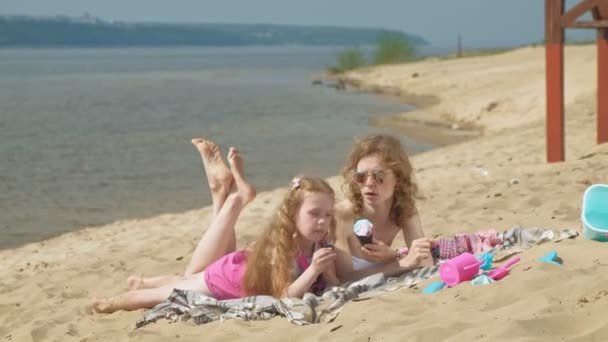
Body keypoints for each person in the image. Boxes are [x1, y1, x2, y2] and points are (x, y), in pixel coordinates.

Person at [91, 141, 339, 313]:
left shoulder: (319, 244)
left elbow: (331, 283)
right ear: (293, 214)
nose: (322, 221)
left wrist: (327, 274)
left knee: (186, 277)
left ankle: (223, 192)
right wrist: (313, 269)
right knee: (163, 295)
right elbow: (284, 296)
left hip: (240, 267)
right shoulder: (283, 249)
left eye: (327, 215)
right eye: (314, 213)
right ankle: (109, 304)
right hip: (223, 280)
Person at [332, 134, 435, 282]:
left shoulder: (403, 209)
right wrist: (400, 263)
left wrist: (393, 257)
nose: (369, 183)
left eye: (378, 176)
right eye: (360, 176)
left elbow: (425, 263)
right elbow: (344, 279)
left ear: (398, 178)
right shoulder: (342, 215)